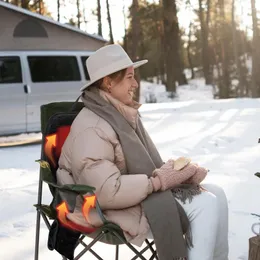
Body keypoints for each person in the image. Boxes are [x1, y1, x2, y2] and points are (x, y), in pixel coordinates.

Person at [56, 44, 229, 260]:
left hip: (132, 197)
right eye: (129, 77)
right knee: (206, 204)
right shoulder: (93, 126)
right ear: (109, 82)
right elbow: (107, 192)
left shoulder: (119, 114)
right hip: (106, 210)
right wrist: (158, 181)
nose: (135, 84)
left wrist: (179, 177)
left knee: (217, 194)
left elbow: (142, 167)